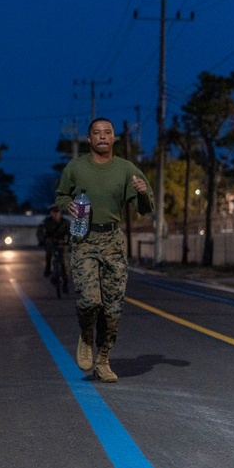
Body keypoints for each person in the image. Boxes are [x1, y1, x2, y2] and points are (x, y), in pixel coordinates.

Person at [55, 117, 153, 383]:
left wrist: (143, 192)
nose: (102, 137)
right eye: (96, 133)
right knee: (90, 301)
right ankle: (87, 336)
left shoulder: (126, 169)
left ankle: (103, 361)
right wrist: (68, 206)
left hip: (112, 241)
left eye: (107, 133)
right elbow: (61, 195)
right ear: (89, 139)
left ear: (113, 138)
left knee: (112, 308)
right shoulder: (75, 168)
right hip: (84, 239)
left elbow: (146, 207)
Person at [40, 205, 71, 293]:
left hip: (62, 243)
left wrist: (70, 242)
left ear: (60, 213)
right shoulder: (47, 222)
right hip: (52, 243)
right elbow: (41, 232)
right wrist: (42, 240)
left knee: (65, 262)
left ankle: (65, 282)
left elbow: (70, 234)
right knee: (49, 253)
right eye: (53, 212)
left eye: (57, 212)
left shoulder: (66, 222)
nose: (55, 214)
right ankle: (48, 268)